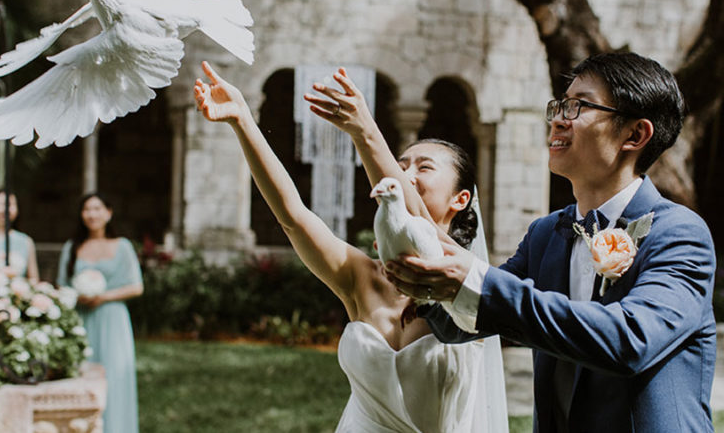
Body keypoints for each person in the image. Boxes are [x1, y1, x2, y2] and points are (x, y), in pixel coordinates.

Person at [384, 52, 717, 432]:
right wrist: (425, 274)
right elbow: (466, 321)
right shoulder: (546, 234)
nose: (558, 119)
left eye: (577, 107)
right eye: (559, 105)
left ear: (635, 134)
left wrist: (474, 282)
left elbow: (631, 339)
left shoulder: (678, 234)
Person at [193, 61, 508, 432]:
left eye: (423, 168)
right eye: (400, 164)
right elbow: (293, 217)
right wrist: (243, 121)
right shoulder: (361, 277)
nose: (404, 174)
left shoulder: (470, 285)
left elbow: (415, 215)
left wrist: (365, 131)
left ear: (460, 199)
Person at [56, 193, 143, 433]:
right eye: (87, 209)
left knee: (114, 375)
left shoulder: (123, 246)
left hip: (113, 319)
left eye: (97, 208)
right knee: (81, 373)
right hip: (81, 319)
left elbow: (136, 287)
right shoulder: (72, 247)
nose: (92, 214)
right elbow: (62, 286)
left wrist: (102, 297)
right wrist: (78, 296)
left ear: (108, 213)